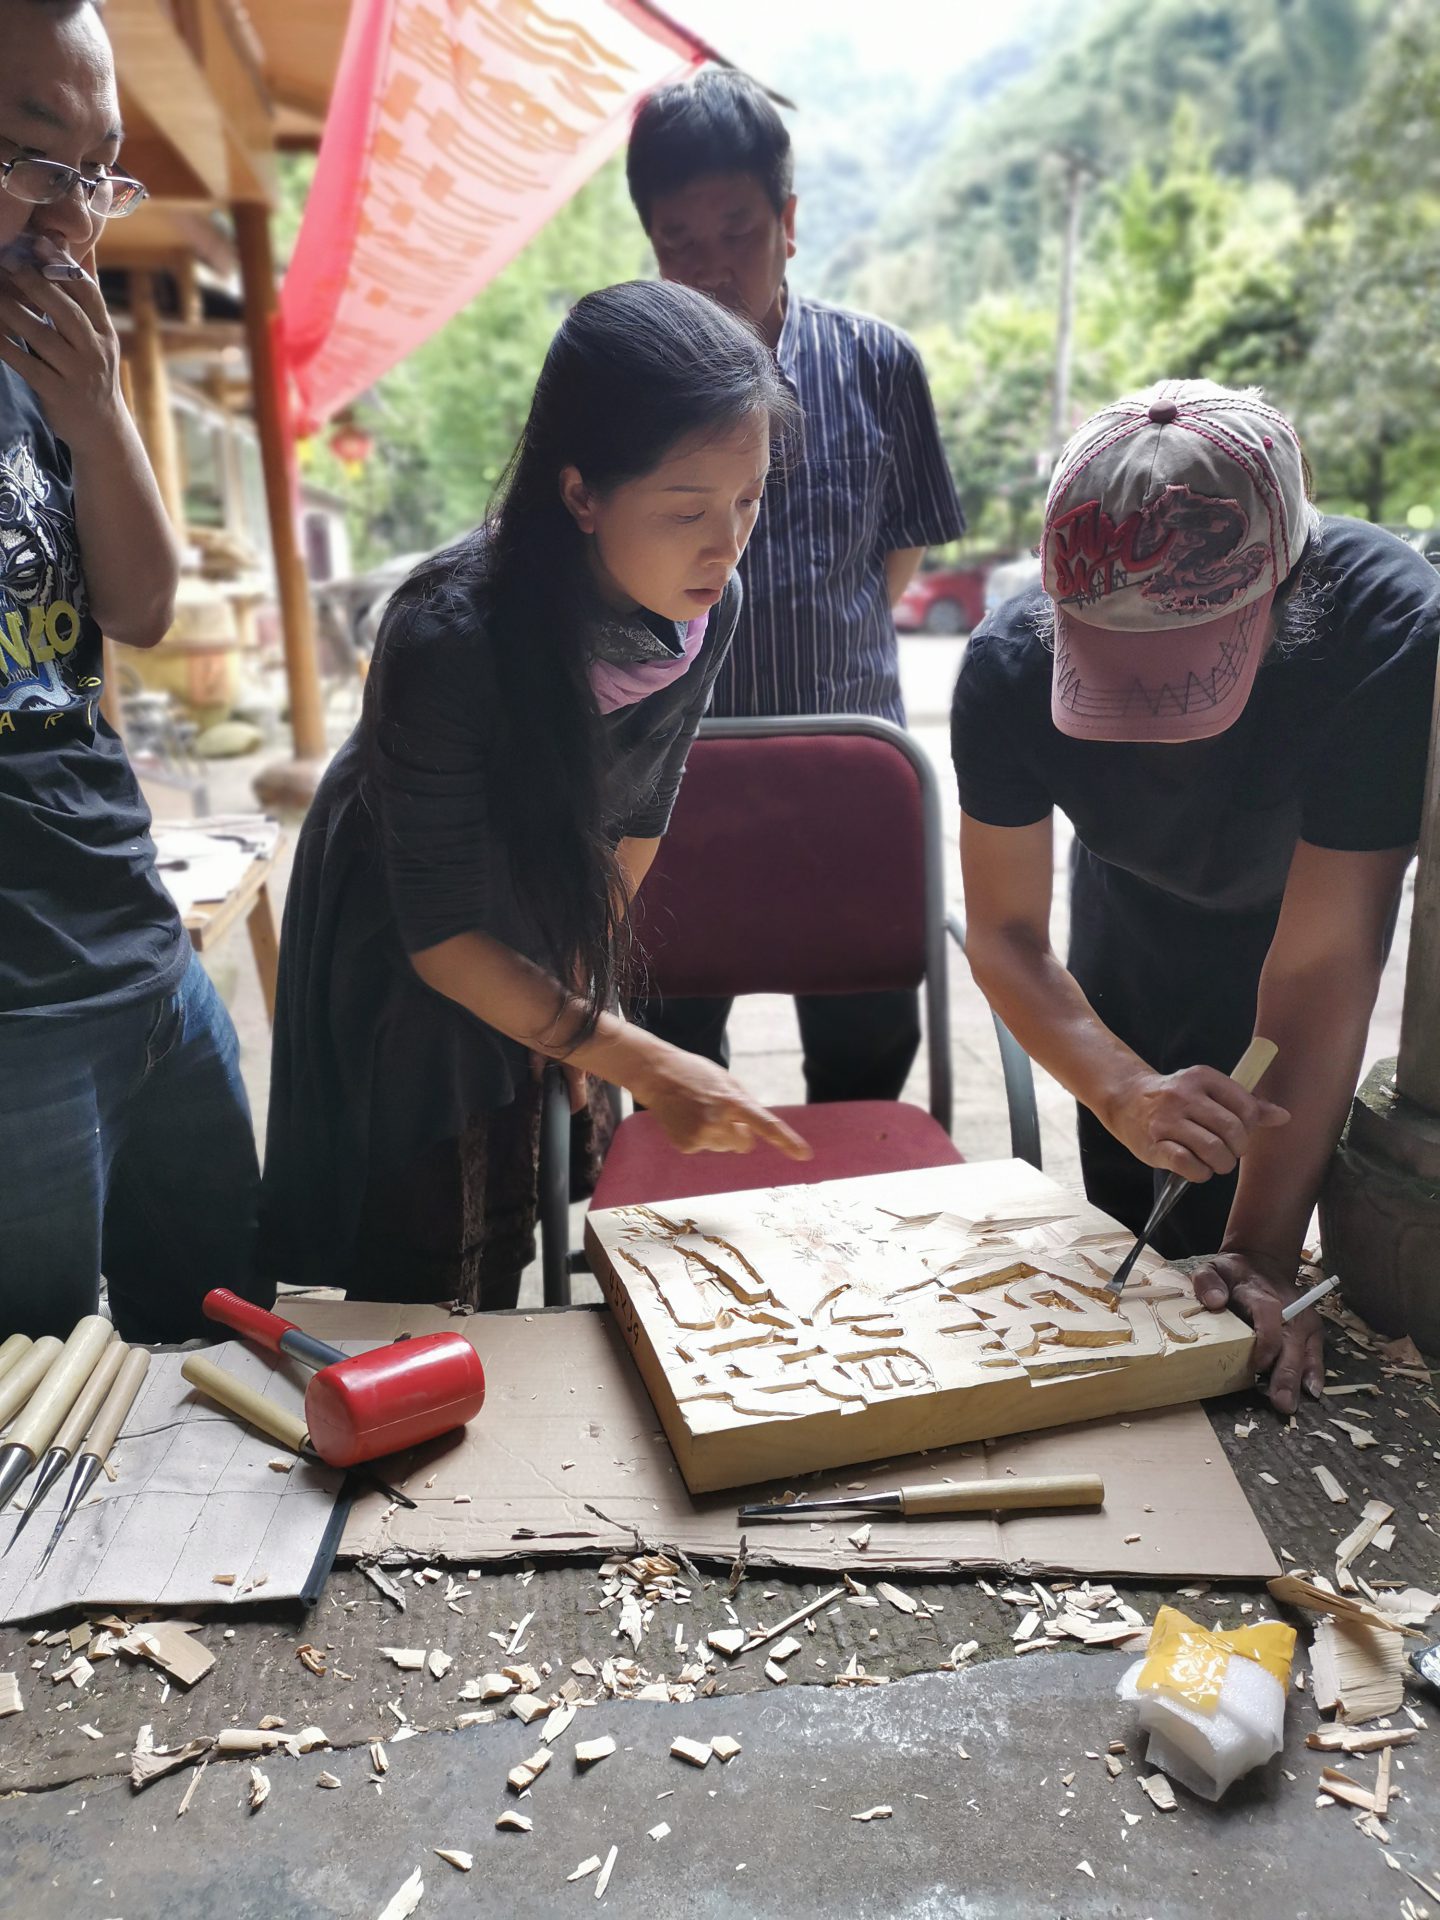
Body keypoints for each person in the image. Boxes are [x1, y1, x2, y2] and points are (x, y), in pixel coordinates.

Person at [260, 281, 810, 1309]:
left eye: (750, 499)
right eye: (687, 509)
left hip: (544, 892)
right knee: (425, 1239)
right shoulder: (447, 637)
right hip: (414, 926)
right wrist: (641, 1057)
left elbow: (639, 812)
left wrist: (583, 1003)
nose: (726, 543)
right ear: (580, 495)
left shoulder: (704, 607)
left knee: (528, 1165)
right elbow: (443, 942)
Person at [951, 378, 1440, 1413]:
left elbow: (1322, 964)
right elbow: (1002, 932)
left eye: (1177, 674)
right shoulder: (1006, 667)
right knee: (1140, 1203)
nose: (1156, 730)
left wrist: (1261, 1253)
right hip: (1129, 918)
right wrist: (1121, 1087)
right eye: (1112, 670)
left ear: (1283, 591)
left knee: (1246, 1236)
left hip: (1297, 909)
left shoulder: (1381, 634)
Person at [625, 69, 965, 1106]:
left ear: (789, 220)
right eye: (678, 240)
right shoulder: (622, 381)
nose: (710, 266)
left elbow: (896, 556)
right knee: (676, 1067)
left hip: (849, 784)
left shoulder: (876, 363)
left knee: (867, 1060)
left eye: (737, 230)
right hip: (664, 797)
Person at [0, 0, 262, 1343]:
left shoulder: (46, 355)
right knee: (29, 1425)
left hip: (140, 943)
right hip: (15, 1015)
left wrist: (99, 415)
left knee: (229, 1340)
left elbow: (146, 605)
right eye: (31, 158)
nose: (66, 219)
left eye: (93, 174)